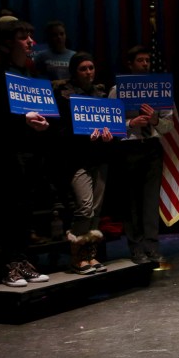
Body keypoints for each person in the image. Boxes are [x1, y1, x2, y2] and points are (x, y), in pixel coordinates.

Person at [0, 18, 53, 287]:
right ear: (7, 41)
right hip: (0, 149)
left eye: (31, 35)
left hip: (27, 147)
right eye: (24, 37)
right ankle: (9, 266)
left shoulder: (28, 67)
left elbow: (33, 104)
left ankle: (23, 261)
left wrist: (41, 121)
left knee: (24, 209)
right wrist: (22, 119)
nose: (31, 41)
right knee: (6, 210)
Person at [109, 45, 174, 264]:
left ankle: (152, 247)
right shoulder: (117, 90)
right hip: (129, 148)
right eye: (140, 60)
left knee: (150, 200)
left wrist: (155, 119)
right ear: (130, 64)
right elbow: (110, 122)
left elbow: (168, 126)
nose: (145, 64)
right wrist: (130, 122)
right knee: (131, 202)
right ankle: (136, 247)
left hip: (152, 147)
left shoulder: (159, 89)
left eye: (147, 60)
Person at [56, 52, 114, 274]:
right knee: (85, 208)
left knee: (96, 210)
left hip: (99, 158)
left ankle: (90, 256)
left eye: (91, 67)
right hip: (76, 159)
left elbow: (111, 125)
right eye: (83, 68)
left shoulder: (101, 93)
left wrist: (111, 136)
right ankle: (77, 256)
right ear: (74, 71)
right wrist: (81, 135)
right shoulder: (64, 95)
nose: (89, 72)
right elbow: (58, 130)